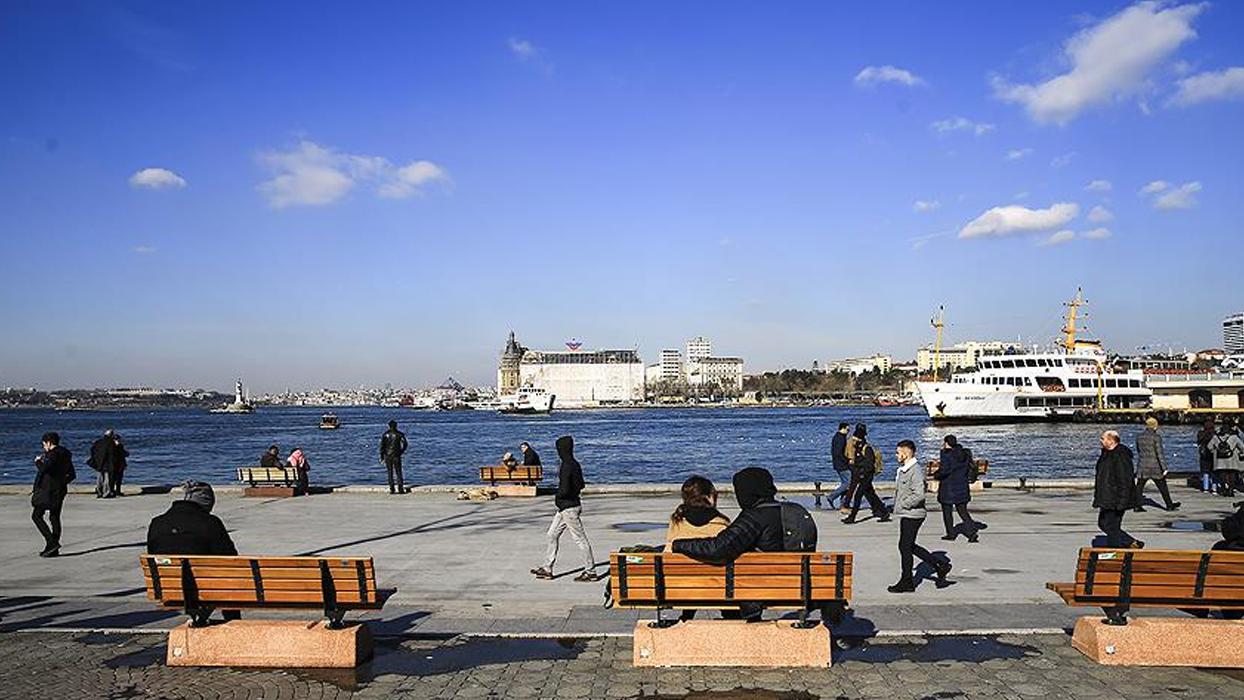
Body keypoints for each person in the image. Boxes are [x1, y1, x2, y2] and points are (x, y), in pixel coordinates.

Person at [147, 481, 241, 621]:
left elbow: (153, 553)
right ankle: (233, 622)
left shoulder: (157, 522)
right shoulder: (210, 522)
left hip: (169, 588)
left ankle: (200, 619)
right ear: (206, 503)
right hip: (206, 588)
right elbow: (230, 557)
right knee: (229, 577)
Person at [531, 436, 599, 582]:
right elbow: (581, 485)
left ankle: (590, 571)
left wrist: (559, 496)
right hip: (566, 507)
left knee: (580, 539)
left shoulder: (566, 466)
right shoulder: (575, 464)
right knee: (552, 534)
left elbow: (564, 489)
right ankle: (547, 568)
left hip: (569, 508)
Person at [889, 440, 952, 593]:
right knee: (908, 546)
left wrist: (904, 504)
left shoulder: (915, 470)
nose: (896, 455)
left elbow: (919, 494)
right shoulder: (904, 469)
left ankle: (907, 581)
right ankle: (939, 565)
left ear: (905, 453)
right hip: (908, 513)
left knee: (904, 546)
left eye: (898, 452)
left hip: (913, 514)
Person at [1094, 430, 1142, 549]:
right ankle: (1130, 542)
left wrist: (1122, 501)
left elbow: (1125, 480)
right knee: (1104, 523)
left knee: (1112, 527)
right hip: (1106, 497)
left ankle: (1115, 552)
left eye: (1103, 438)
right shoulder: (1106, 454)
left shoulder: (1120, 456)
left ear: (1111, 440)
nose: (1100, 441)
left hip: (1115, 498)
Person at [32, 432, 74, 557]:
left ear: (49, 443)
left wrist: (38, 462)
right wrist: (61, 483)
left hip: (48, 490)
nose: (44, 447)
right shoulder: (65, 455)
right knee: (54, 517)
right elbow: (72, 474)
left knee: (36, 515)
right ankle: (52, 548)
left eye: (44, 444)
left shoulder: (53, 454)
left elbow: (45, 469)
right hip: (59, 490)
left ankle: (51, 542)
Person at [933, 435, 979, 542]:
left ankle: (951, 534)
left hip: (948, 488)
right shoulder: (965, 453)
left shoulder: (946, 454)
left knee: (947, 512)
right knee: (963, 511)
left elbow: (945, 470)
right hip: (962, 486)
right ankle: (972, 533)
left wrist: (936, 475)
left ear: (947, 443)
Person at [843, 424, 890, 524]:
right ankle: (884, 512)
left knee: (858, 496)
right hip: (862, 475)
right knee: (871, 495)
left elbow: (869, 464)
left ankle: (852, 517)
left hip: (866, 476)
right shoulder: (859, 447)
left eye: (855, 438)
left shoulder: (866, 448)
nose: (853, 440)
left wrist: (861, 473)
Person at [1134, 417, 1179, 512]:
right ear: (1155, 426)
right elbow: (1159, 453)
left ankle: (1137, 506)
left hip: (1143, 465)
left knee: (1139, 487)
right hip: (1155, 466)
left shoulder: (1139, 437)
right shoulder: (1156, 437)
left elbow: (1139, 451)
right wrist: (1164, 467)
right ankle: (1169, 505)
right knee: (1163, 487)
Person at [1207, 421, 1244, 498]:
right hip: (1232, 461)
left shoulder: (1215, 437)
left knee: (1222, 475)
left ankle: (1224, 489)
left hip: (1220, 461)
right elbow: (1242, 447)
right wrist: (1240, 454)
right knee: (1232, 475)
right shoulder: (1234, 437)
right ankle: (1231, 490)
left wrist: (1215, 452)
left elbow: (1209, 447)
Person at [826, 422, 854, 510]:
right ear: (843, 428)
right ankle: (832, 496)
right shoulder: (840, 438)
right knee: (848, 483)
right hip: (842, 465)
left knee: (845, 483)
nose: (848, 431)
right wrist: (847, 460)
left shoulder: (838, 437)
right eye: (848, 429)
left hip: (839, 464)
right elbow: (838, 453)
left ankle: (844, 503)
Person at [380, 420, 408, 494]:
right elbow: (405, 444)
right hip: (396, 455)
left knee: (390, 472)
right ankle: (400, 488)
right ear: (396, 425)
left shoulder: (385, 434)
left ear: (389, 426)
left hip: (388, 455)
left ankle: (392, 489)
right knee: (399, 472)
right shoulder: (400, 434)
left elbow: (382, 446)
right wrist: (401, 451)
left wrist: (382, 456)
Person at [89, 429, 116, 499]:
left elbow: (92, 451)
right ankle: (106, 493)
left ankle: (99, 492)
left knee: (99, 479)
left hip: (98, 463)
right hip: (107, 463)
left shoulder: (98, 442)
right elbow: (113, 454)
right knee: (107, 479)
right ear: (111, 435)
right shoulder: (111, 443)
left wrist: (95, 460)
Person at [1197, 420, 1218, 493]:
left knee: (1205, 471)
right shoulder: (1215, 433)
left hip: (1204, 454)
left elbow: (1198, 442)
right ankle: (1214, 488)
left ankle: (1205, 487)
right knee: (1214, 471)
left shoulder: (1201, 433)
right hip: (1214, 454)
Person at [109, 432, 129, 496]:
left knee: (119, 480)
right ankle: (112, 491)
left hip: (120, 465)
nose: (118, 441)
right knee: (113, 479)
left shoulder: (120, 446)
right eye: (117, 439)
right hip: (114, 465)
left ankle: (118, 491)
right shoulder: (112, 447)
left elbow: (125, 454)